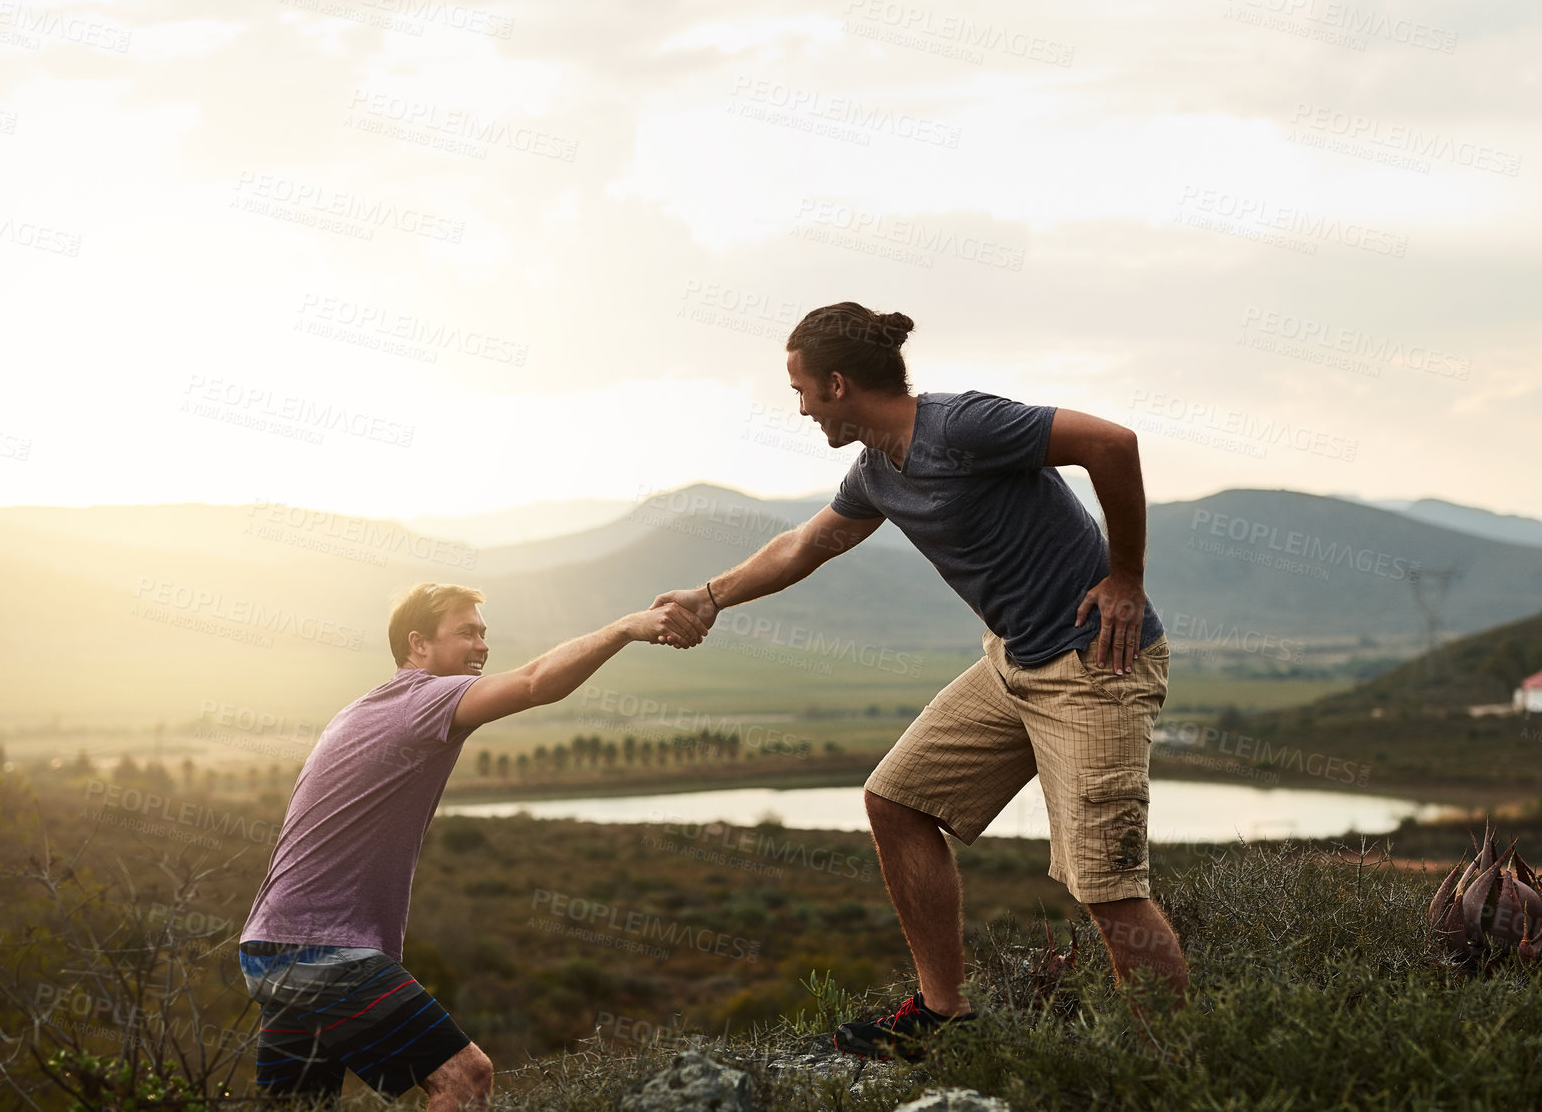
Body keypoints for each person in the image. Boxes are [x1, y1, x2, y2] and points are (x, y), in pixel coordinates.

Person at [652, 301, 1186, 1061]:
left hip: (1093, 664)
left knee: (1108, 887)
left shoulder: (963, 425)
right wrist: (708, 598)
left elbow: (1111, 442)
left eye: (801, 389)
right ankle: (944, 1013)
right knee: (897, 800)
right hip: (1015, 662)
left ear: (837, 384)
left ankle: (1170, 1068)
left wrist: (1126, 577)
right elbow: (805, 543)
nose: (798, 407)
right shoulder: (876, 470)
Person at [237, 583, 708, 1109]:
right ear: (418, 646)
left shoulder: (366, 707)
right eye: (466, 633)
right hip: (322, 951)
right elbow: (534, 684)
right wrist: (624, 627)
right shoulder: (422, 699)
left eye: (484, 632)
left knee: (301, 1105)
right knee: (466, 1078)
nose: (482, 645)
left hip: (270, 949)